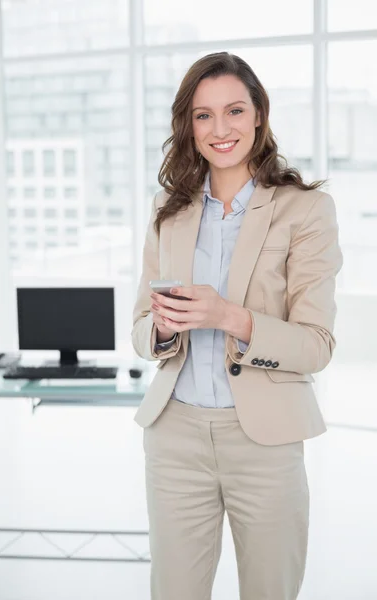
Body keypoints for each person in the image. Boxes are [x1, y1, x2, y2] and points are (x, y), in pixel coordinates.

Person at [131, 51, 343, 600]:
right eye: (203, 115)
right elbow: (138, 328)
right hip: (174, 434)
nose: (220, 129)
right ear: (188, 125)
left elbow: (317, 346)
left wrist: (229, 318)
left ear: (258, 115)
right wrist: (162, 330)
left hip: (265, 440)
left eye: (234, 111)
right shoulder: (168, 210)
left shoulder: (305, 210)